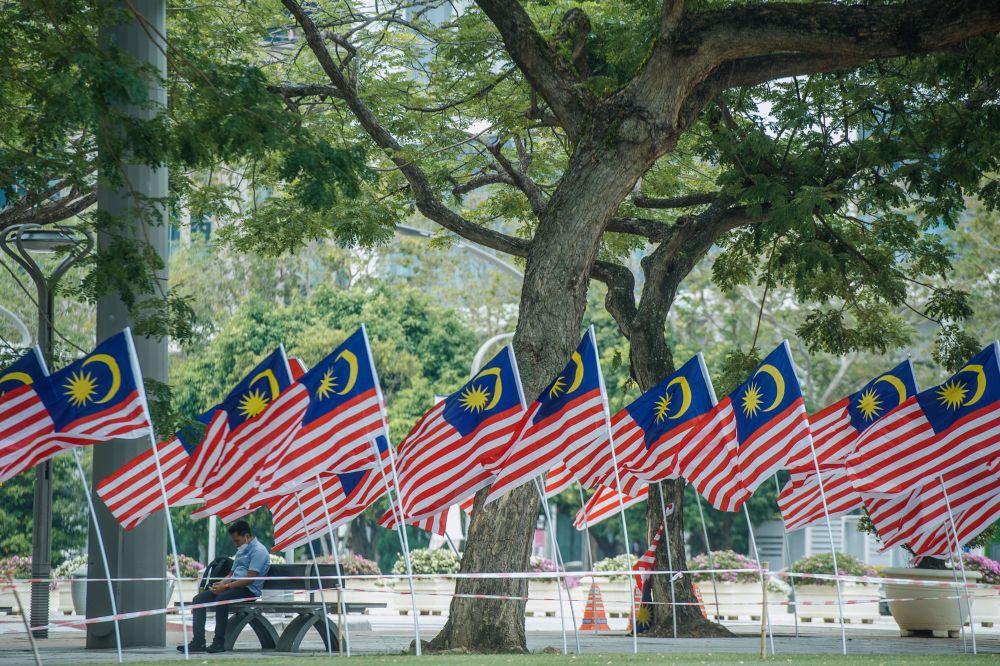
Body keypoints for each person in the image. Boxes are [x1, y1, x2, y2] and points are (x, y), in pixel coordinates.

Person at [178, 520, 270, 653]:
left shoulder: (259, 551)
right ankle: (198, 642)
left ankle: (219, 642)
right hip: (232, 587)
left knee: (221, 599)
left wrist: (226, 587)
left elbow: (249, 579)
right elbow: (231, 573)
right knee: (198, 600)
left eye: (237, 541)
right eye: (234, 541)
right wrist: (222, 583)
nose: (235, 544)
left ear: (247, 536)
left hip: (248, 591)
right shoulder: (240, 551)